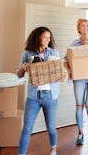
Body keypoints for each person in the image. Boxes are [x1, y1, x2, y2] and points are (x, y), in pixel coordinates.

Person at [17, 26, 60, 155]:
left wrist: (63, 74)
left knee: (51, 127)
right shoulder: (27, 53)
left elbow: (59, 73)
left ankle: (53, 149)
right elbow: (18, 75)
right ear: (38, 38)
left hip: (50, 96)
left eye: (49, 38)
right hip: (33, 96)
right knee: (27, 128)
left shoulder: (54, 53)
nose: (48, 40)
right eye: (45, 37)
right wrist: (23, 68)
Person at [64, 18, 88, 145]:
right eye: (83, 26)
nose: (85, 28)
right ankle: (80, 133)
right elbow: (65, 60)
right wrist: (70, 71)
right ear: (79, 29)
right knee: (79, 105)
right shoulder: (74, 44)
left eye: (87, 25)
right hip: (79, 78)